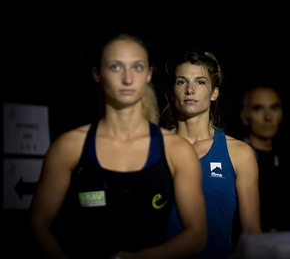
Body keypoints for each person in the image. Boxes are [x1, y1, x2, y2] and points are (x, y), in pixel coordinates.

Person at [29, 32, 207, 259]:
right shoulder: (69, 146)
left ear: (149, 74)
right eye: (115, 67)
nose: (128, 78)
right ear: (97, 73)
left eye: (138, 67)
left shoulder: (177, 150)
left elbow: (197, 235)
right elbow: (37, 224)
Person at [161, 48, 262, 259]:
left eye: (200, 82)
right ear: (172, 91)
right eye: (181, 81)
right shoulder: (153, 147)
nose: (190, 89)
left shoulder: (239, 153)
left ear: (214, 92)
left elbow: (252, 234)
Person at [237, 83, 290, 234]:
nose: (268, 117)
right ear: (244, 116)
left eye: (274, 108)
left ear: (281, 113)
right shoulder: (235, 159)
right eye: (258, 109)